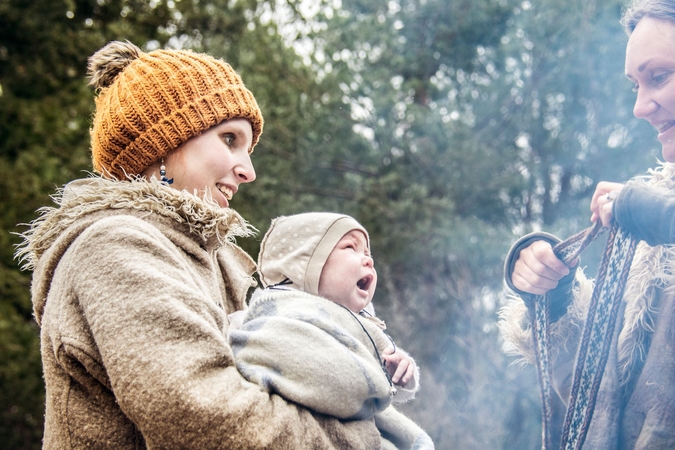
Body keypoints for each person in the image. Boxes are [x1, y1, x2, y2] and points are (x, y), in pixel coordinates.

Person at [15, 41, 383, 449]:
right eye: (229, 139)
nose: (249, 171)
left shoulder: (221, 261)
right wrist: (365, 437)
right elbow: (210, 421)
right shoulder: (114, 247)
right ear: (162, 144)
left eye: (248, 148)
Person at [499, 1, 675, 448]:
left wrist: (649, 211)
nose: (639, 107)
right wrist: (554, 293)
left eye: (659, 77)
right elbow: (604, 396)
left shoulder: (651, 210)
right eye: (635, 85)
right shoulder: (652, 229)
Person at [228, 212, 434, 450]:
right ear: (305, 264)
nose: (368, 260)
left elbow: (388, 386)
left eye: (368, 254)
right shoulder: (278, 308)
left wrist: (401, 370)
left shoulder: (364, 324)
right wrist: (373, 383)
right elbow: (265, 349)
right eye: (350, 248)